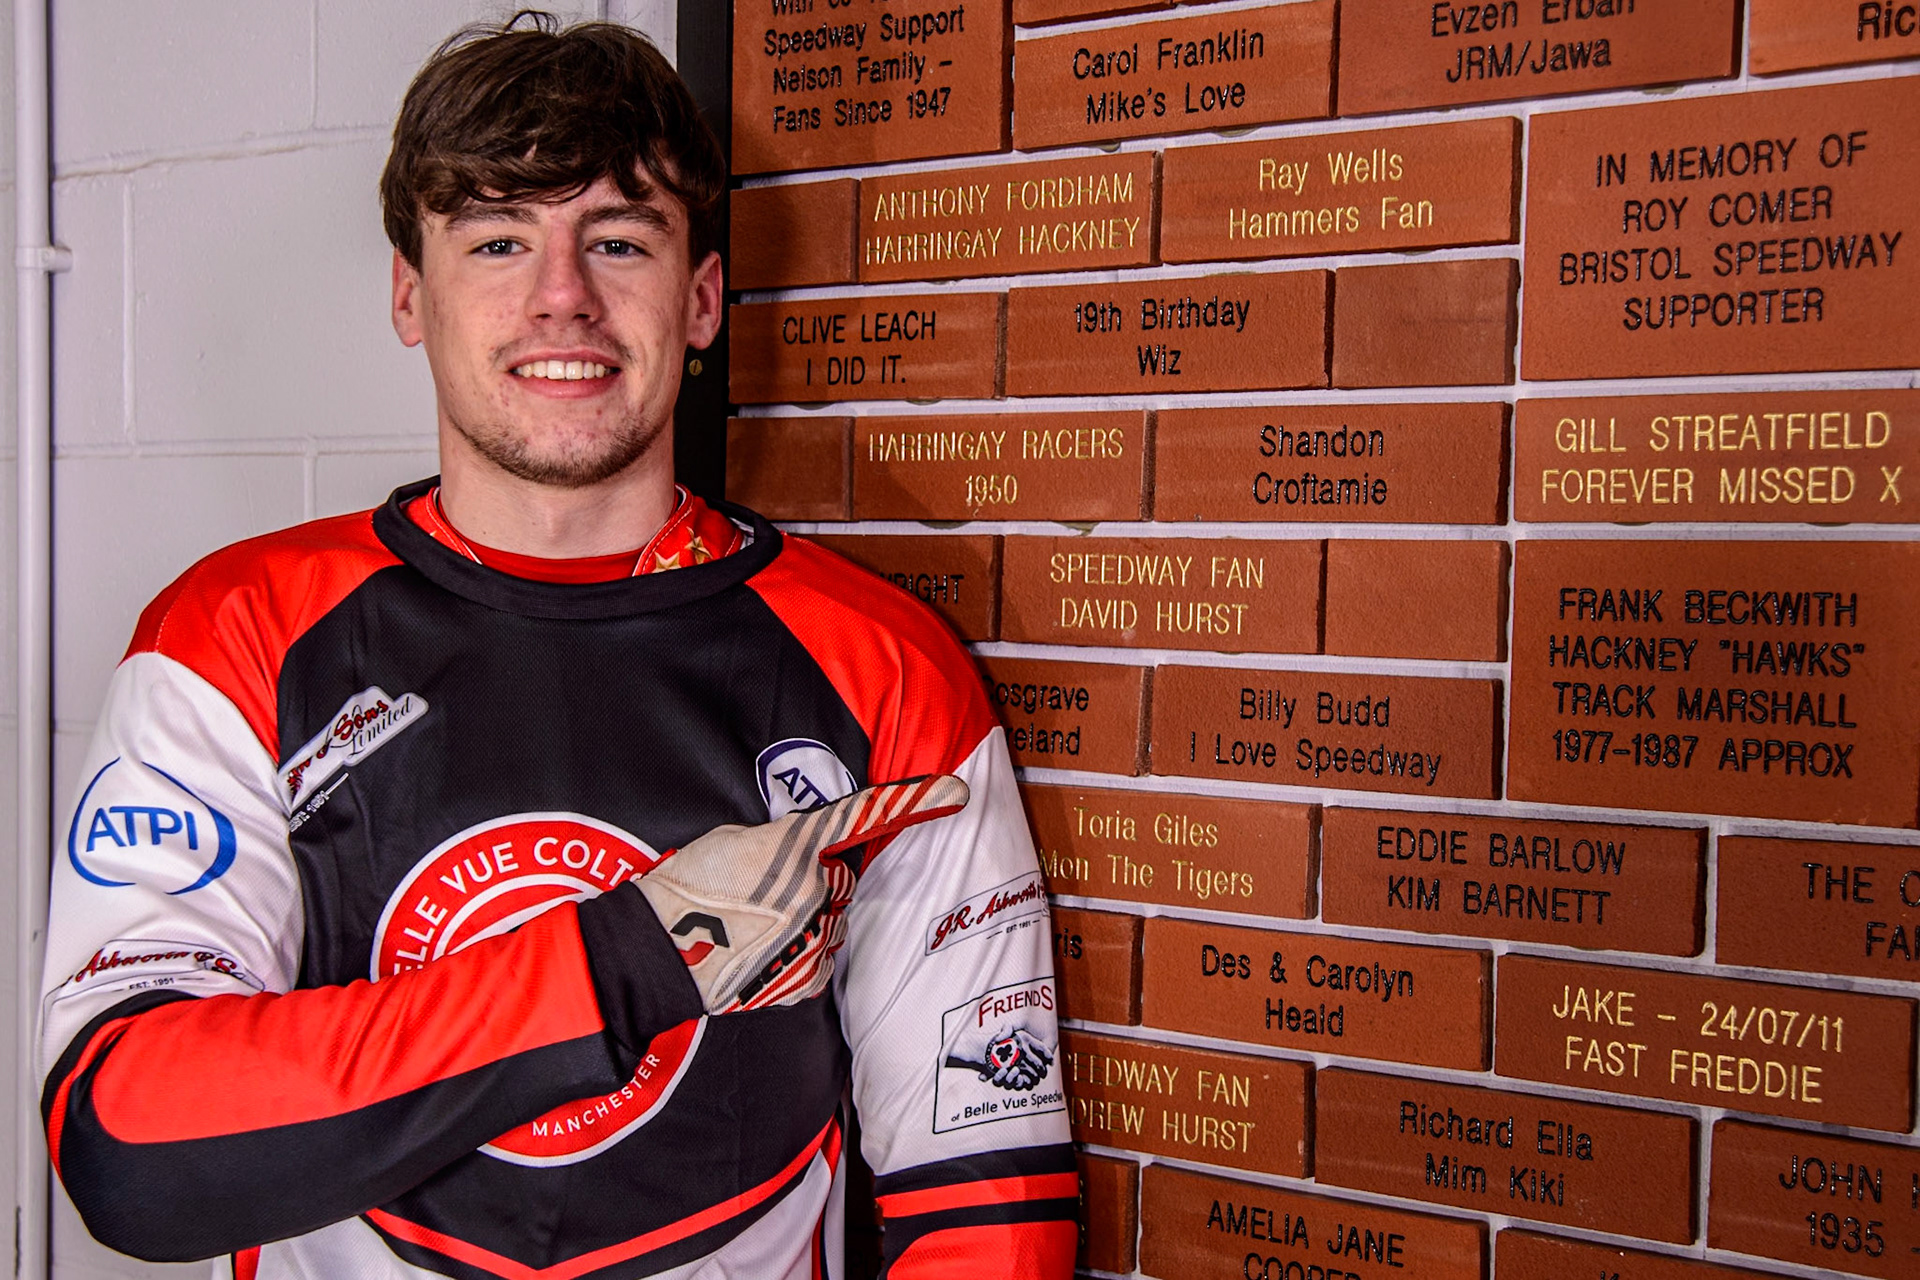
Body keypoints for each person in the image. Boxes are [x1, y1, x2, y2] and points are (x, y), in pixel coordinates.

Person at [38, 15, 1076, 1280]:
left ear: (700, 302)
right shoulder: (234, 636)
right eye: (497, 241)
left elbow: (983, 1197)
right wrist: (639, 957)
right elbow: (128, 1141)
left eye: (620, 240)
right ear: (411, 297)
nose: (561, 296)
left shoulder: (882, 667)